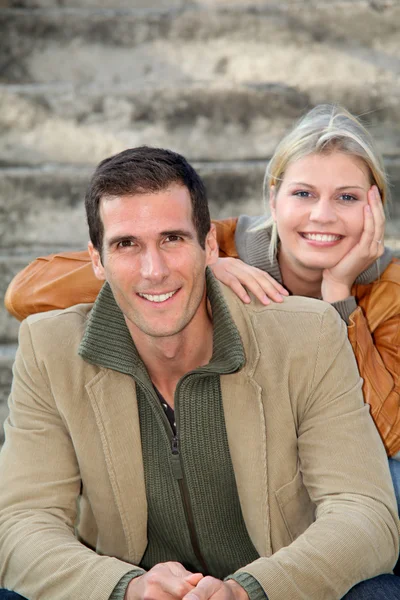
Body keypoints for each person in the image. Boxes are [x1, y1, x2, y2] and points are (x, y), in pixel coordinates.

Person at [0, 145, 398, 600]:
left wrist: (248, 590)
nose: (154, 270)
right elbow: (20, 524)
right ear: (96, 260)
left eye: (172, 238)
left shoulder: (308, 336)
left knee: (380, 593)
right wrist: (126, 588)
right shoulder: (49, 348)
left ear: (209, 245)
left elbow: (365, 513)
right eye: (126, 244)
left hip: (274, 591)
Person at [6, 106, 400, 489]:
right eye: (303, 194)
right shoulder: (214, 243)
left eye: (346, 198)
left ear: (376, 205)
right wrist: (197, 271)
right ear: (273, 198)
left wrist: (338, 298)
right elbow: (27, 293)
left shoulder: (391, 288)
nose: (322, 215)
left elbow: (387, 437)